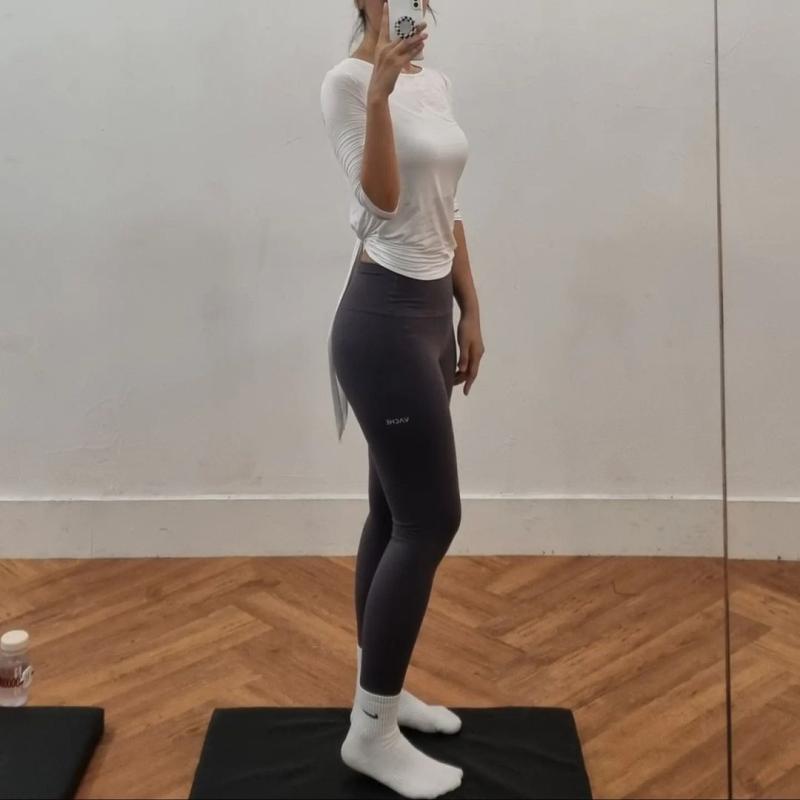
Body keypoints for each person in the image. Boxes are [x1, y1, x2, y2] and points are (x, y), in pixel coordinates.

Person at [320, 1, 485, 796]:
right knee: (431, 519)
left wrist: (470, 308)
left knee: (392, 516)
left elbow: (447, 208)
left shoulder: (435, 81)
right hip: (381, 322)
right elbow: (384, 201)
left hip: (429, 317)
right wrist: (380, 95)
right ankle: (371, 732)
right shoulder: (347, 83)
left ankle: (378, 690)